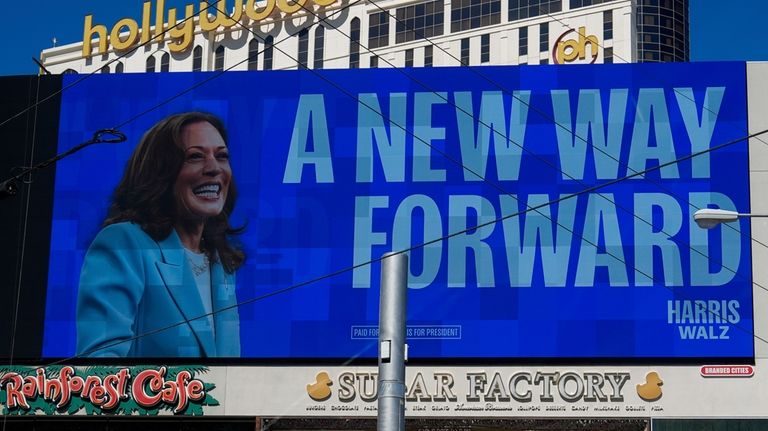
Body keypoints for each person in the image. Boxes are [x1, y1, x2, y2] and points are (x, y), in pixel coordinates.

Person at [77, 112, 244, 358]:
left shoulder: (221, 264)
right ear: (160, 172)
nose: (214, 168)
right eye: (195, 157)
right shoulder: (124, 243)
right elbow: (99, 365)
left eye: (221, 156)